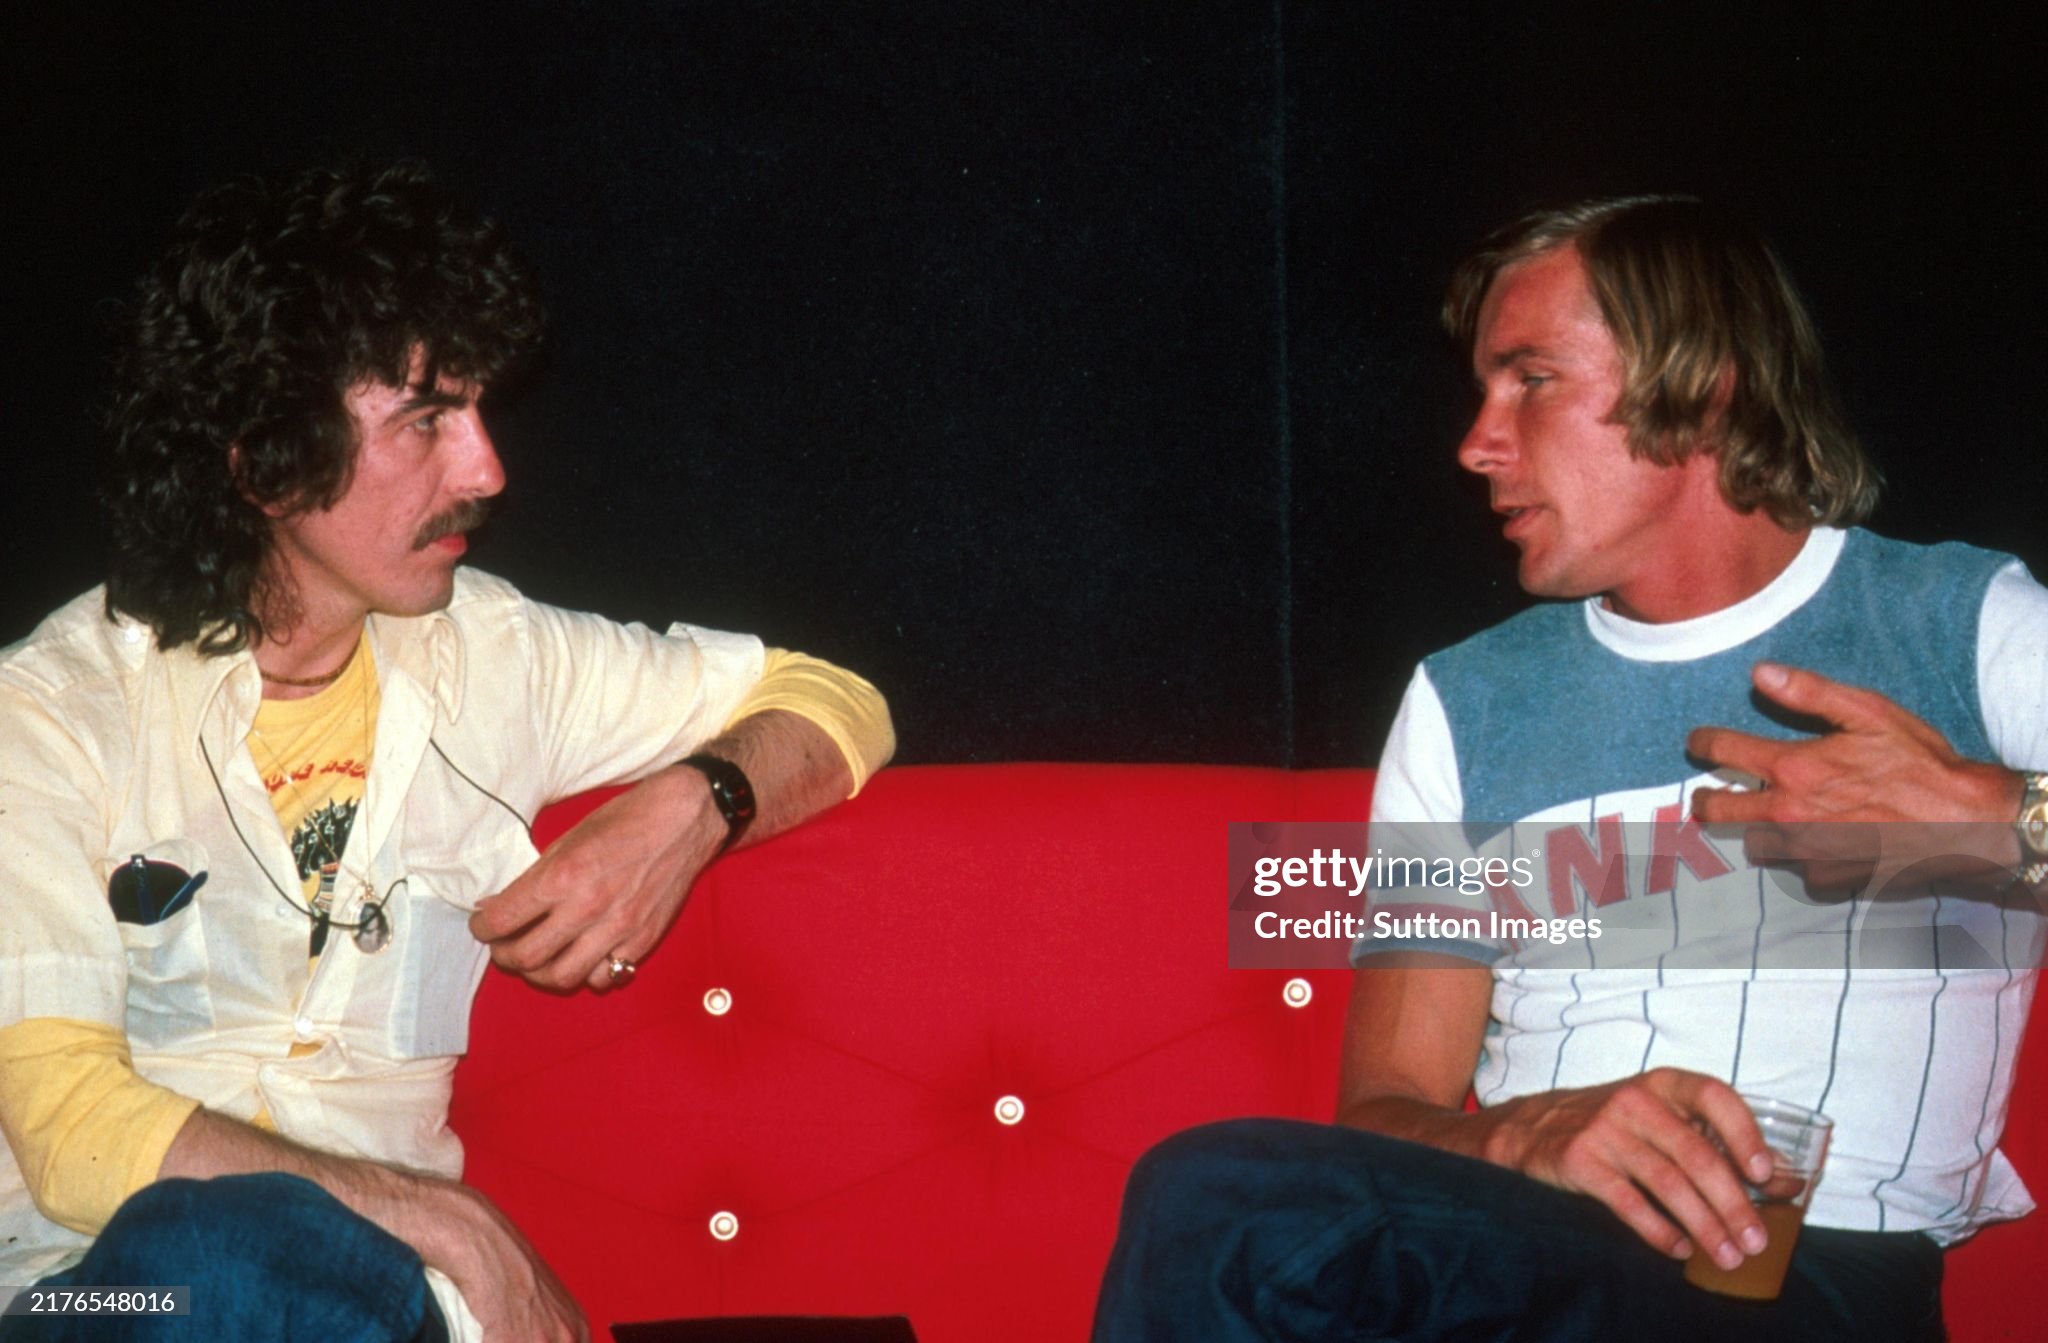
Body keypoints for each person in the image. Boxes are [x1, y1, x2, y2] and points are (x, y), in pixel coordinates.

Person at [1092, 196, 2048, 1341]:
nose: (1474, 441)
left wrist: (1995, 817)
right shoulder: (1465, 699)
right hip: (1513, 1246)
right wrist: (1521, 1133)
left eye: (1528, 377)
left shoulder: (1960, 623)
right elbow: (1383, 1106)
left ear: (1701, 381)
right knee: (1226, 1194)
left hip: (1809, 1276)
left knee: (1220, 1199)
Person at [0, 161, 894, 1342]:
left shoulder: (497, 655)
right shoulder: (49, 715)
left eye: (475, 412)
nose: (486, 469)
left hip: (384, 1308)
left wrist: (693, 803)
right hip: (94, 1293)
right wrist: (458, 1224)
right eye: (426, 420)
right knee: (202, 1255)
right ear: (263, 461)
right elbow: (68, 1125)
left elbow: (838, 696)